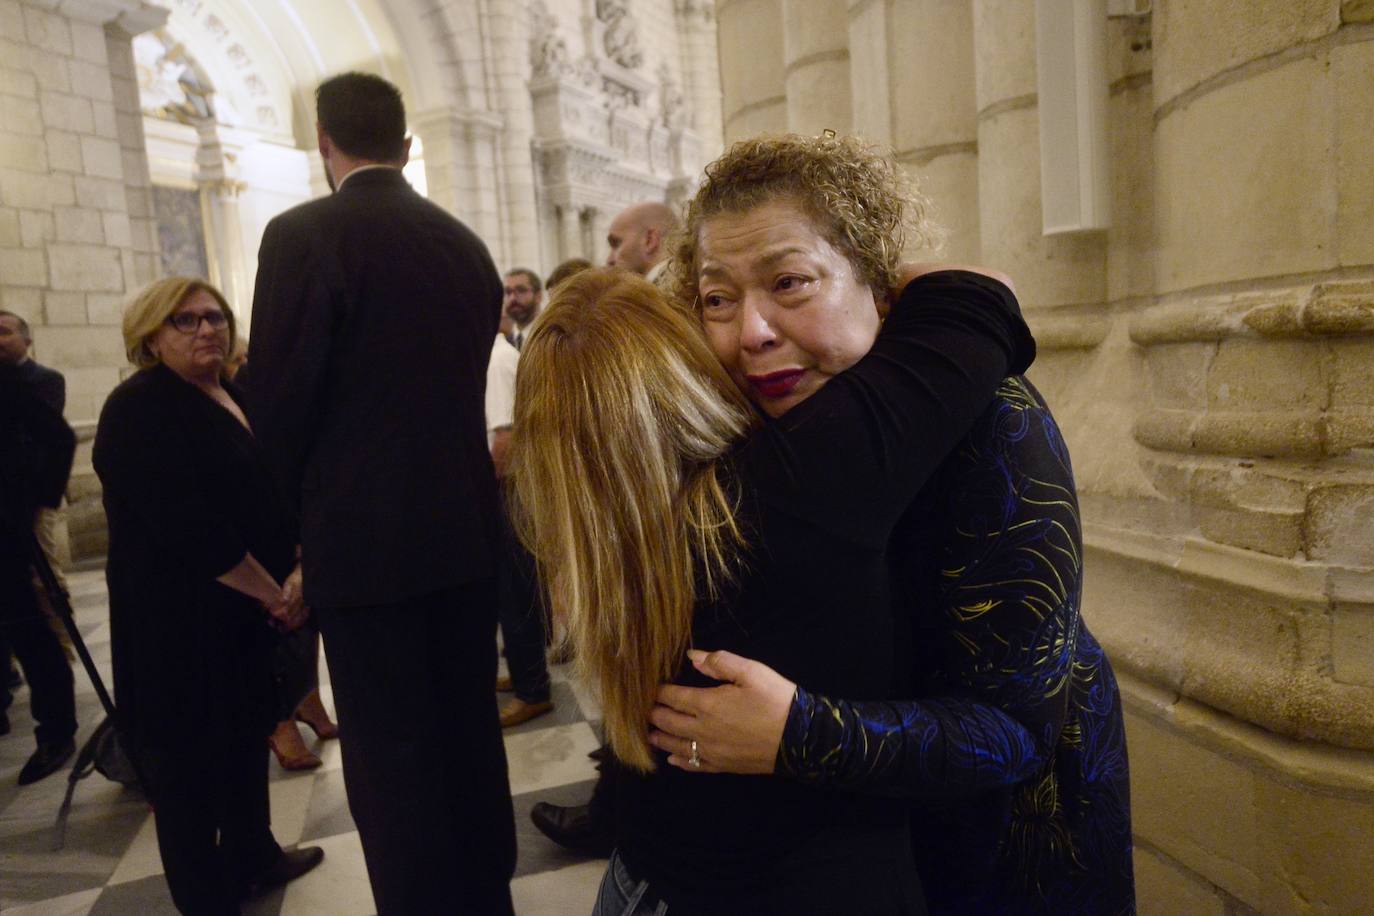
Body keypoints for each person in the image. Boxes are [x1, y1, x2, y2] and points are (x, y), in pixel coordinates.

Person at [645, 135, 1135, 914]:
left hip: (999, 844)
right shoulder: (745, 419)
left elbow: (1017, 730)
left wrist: (803, 733)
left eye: (789, 282)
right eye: (718, 299)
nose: (753, 331)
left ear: (876, 285)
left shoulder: (995, 423)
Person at [509, 251, 1032, 915]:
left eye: (786, 285)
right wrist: (877, 270)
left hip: (641, 876)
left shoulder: (592, 534)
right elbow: (978, 299)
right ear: (683, 369)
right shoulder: (778, 492)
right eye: (716, 303)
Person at [246, 71, 515, 913]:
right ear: (406, 144)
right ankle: (487, 897)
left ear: (323, 143)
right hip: (465, 531)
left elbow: (279, 402)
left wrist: (286, 534)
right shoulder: (463, 243)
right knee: (467, 731)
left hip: (362, 546)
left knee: (391, 754)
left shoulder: (302, 235)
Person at [93, 277, 323, 914]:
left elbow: (273, 489)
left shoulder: (232, 391)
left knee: (246, 733)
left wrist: (296, 566)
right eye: (185, 320)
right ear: (150, 337)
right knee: (188, 764)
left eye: (214, 317)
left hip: (243, 610)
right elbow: (185, 524)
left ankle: (254, 854)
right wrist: (274, 592)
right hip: (177, 618)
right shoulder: (138, 408)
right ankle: (204, 897)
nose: (206, 330)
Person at [529, 200, 678, 851]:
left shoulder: (658, 306)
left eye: (617, 242)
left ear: (652, 238)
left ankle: (622, 810)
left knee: (654, 674)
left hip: (660, 522)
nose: (610, 255)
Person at [227, 348, 339, 771]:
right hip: (255, 517)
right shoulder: (245, 381)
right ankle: (281, 721)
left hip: (291, 505)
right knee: (275, 615)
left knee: (307, 611)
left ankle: (307, 699)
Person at [0, 348, 77, 784]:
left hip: (4, 529)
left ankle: (56, 731)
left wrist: (30, 503)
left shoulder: (6, 380)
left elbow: (59, 439)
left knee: (28, 630)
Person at [488, 310, 554, 728]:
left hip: (508, 489)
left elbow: (505, 438)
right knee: (511, 590)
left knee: (516, 591)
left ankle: (533, 691)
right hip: (511, 488)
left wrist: (489, 491)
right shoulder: (494, 355)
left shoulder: (496, 360)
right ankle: (523, 674)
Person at [604, 201, 677, 284]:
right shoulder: (681, 285)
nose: (609, 260)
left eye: (616, 244)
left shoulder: (655, 290)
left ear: (650, 240)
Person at [503, 267, 542, 350]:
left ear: (538, 296)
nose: (512, 298)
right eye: (508, 292)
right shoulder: (504, 344)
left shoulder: (551, 338)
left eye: (521, 290)